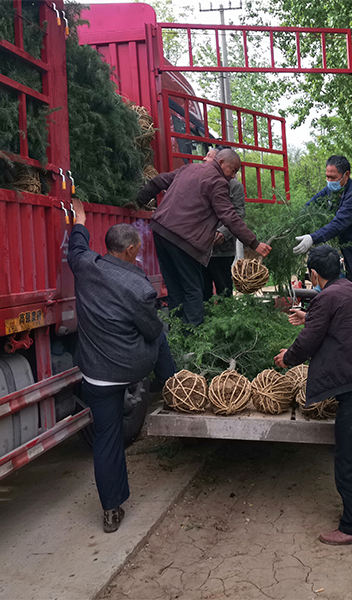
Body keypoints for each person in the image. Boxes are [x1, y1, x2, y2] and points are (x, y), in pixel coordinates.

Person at [68, 198, 176, 533]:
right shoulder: (140, 288)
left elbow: (77, 245)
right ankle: (175, 386)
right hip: (129, 369)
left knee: (106, 437)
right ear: (130, 250)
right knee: (159, 335)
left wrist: (80, 219)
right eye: (138, 248)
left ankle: (111, 509)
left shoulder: (85, 266)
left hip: (96, 376)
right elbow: (150, 330)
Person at [274, 246, 352, 546]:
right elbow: (337, 316)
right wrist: (310, 314)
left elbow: (309, 341)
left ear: (313, 273)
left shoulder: (325, 298)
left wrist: (288, 358)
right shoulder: (351, 288)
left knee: (348, 459)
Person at [136, 148, 271, 325]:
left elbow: (160, 180)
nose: (233, 176)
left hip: (161, 231)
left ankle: (177, 334)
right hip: (184, 240)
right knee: (193, 289)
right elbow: (229, 215)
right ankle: (193, 339)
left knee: (174, 288)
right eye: (233, 170)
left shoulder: (189, 168)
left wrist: (138, 200)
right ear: (221, 163)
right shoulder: (217, 181)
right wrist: (254, 243)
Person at [292, 155, 352, 293]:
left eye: (333, 177)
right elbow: (311, 205)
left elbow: (339, 223)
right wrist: (295, 223)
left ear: (346, 175)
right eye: (327, 176)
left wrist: (313, 238)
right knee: (347, 294)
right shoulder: (331, 190)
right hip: (349, 252)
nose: (329, 181)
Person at [202, 147, 246, 300]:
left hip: (222, 251)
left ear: (220, 161)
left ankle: (227, 321)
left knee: (224, 291)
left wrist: (223, 233)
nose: (204, 159)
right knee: (201, 292)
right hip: (200, 249)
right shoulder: (200, 181)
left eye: (209, 156)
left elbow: (239, 214)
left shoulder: (235, 186)